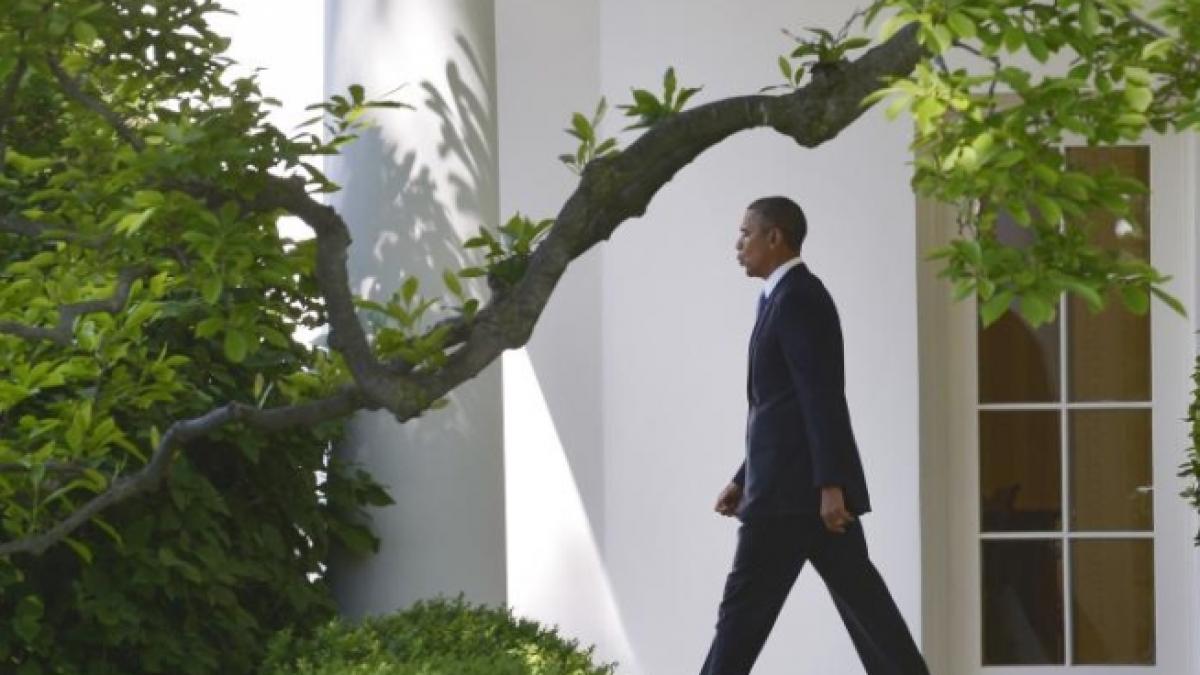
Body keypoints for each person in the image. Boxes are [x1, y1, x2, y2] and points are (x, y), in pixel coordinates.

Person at [699, 196, 929, 675]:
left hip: (792, 499)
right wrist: (743, 477)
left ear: (774, 237)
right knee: (869, 612)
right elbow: (780, 408)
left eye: (745, 233)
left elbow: (820, 396)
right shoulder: (780, 298)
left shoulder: (799, 298)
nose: (737, 244)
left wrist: (831, 486)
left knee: (740, 619)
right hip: (797, 493)